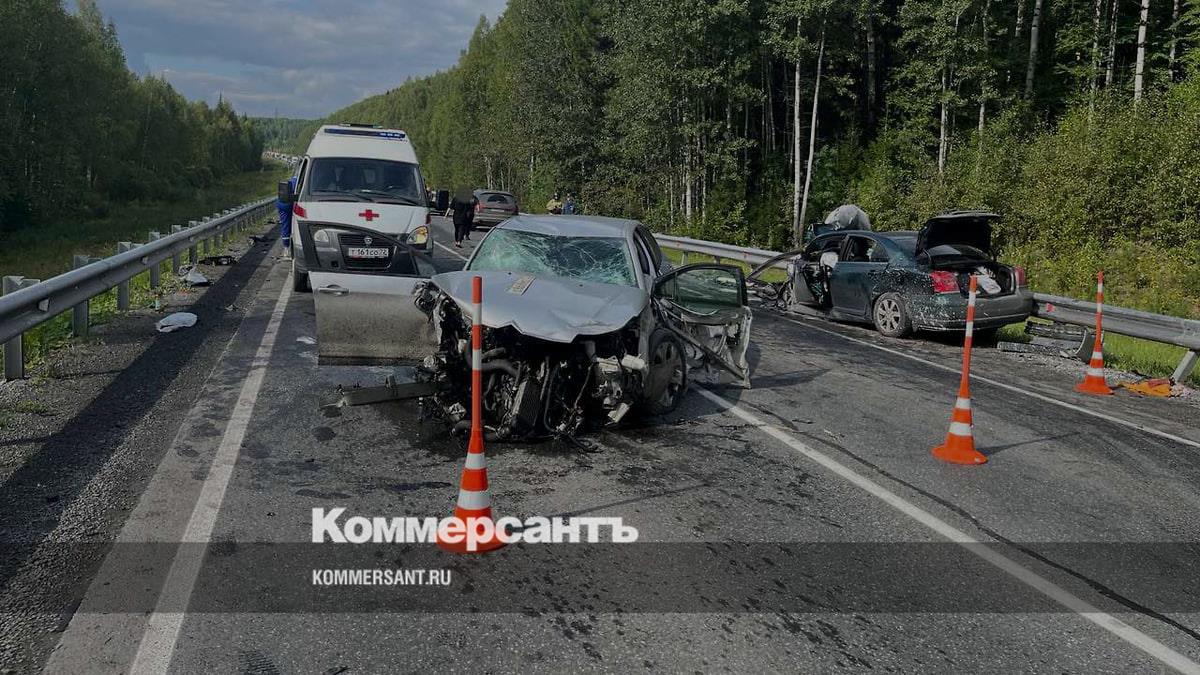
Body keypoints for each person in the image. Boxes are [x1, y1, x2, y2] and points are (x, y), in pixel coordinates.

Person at [277, 175, 297, 258]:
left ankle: (286, 249)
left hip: (281, 203)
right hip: (290, 203)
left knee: (285, 225)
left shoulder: (291, 181)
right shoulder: (301, 180)